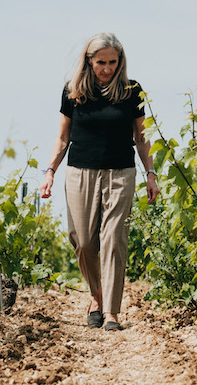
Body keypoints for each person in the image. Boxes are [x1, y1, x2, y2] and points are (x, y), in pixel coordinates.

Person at [40, 32, 160, 332]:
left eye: (113, 62)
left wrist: (150, 173)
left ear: (121, 62)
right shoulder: (73, 91)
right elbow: (62, 137)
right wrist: (50, 171)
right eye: (101, 62)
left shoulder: (132, 91)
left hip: (121, 172)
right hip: (80, 171)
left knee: (114, 239)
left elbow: (141, 137)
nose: (107, 69)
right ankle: (96, 295)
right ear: (88, 61)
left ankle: (111, 313)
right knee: (82, 240)